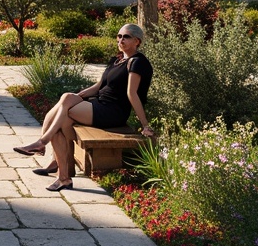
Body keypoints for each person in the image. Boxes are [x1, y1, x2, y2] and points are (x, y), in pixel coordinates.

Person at [12, 23, 155, 192]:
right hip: (99, 104)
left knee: (65, 106)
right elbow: (98, 86)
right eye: (119, 36)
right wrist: (75, 98)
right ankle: (62, 176)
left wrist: (145, 124)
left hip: (113, 112)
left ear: (137, 41)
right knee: (63, 113)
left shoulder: (137, 62)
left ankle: (43, 144)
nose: (121, 39)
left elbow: (132, 94)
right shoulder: (117, 60)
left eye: (126, 37)